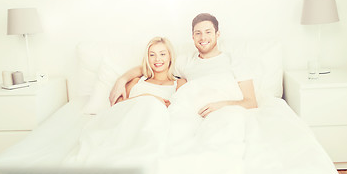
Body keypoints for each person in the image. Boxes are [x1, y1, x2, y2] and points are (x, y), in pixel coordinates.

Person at [109, 13, 257, 117]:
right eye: (198, 33)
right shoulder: (185, 62)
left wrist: (220, 106)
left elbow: (251, 102)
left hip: (227, 113)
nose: (203, 37)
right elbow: (153, 66)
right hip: (196, 116)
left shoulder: (235, 61)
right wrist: (122, 80)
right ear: (192, 37)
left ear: (217, 34)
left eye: (208, 32)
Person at [71, 36, 186, 165]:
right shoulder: (137, 80)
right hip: (129, 121)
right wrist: (150, 97)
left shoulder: (179, 83)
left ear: (170, 56)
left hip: (153, 125)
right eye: (152, 55)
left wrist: (151, 101)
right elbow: (119, 105)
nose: (157, 59)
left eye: (162, 54)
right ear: (147, 58)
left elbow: (176, 107)